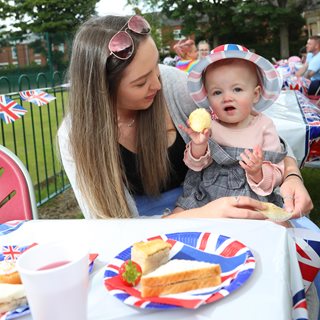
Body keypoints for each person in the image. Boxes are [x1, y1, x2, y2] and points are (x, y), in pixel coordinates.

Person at [57, 14, 312, 221]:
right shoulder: (74, 137)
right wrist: (201, 215)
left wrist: (291, 176)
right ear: (103, 90)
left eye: (155, 67)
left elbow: (254, 130)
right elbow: (112, 228)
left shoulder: (172, 84)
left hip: (212, 201)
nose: (157, 84)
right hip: (151, 228)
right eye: (140, 83)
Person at [175, 44, 286, 212]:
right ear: (208, 97)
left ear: (255, 94)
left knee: (272, 227)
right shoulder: (209, 125)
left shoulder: (264, 125)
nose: (227, 97)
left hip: (250, 198)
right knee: (180, 216)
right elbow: (196, 165)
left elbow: (278, 170)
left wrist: (258, 172)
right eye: (217, 92)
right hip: (206, 197)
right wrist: (199, 145)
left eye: (237, 89)